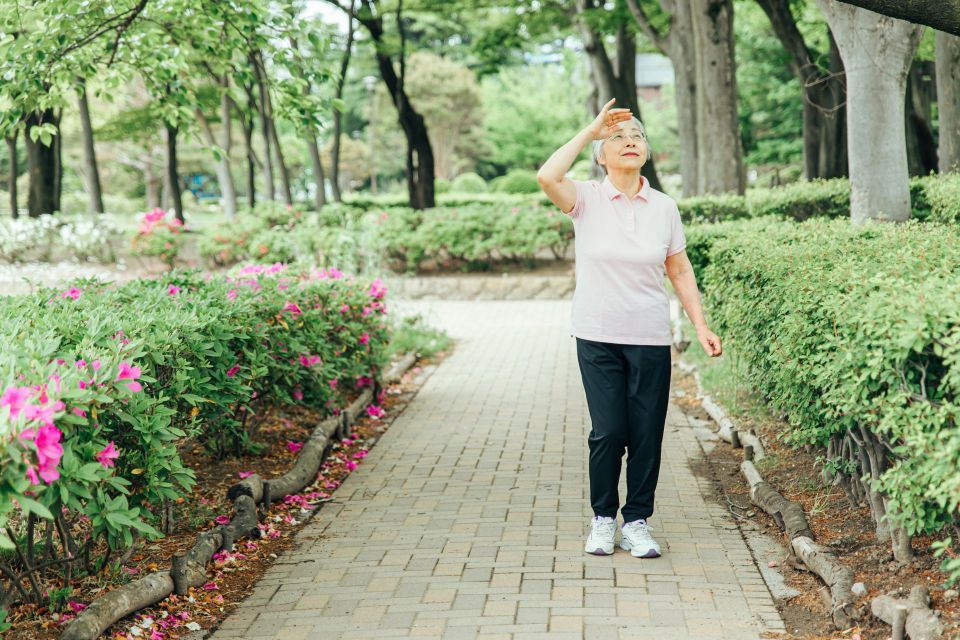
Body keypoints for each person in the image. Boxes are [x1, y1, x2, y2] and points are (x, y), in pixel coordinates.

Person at [536, 98, 723, 558]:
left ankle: (637, 520)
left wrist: (699, 325)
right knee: (608, 430)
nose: (629, 142)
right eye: (618, 138)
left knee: (645, 433)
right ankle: (603, 518)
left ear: (647, 152)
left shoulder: (664, 207)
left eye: (637, 137)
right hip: (597, 335)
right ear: (601, 153)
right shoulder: (585, 199)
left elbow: (679, 271)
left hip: (649, 337)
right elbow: (546, 176)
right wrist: (591, 129)